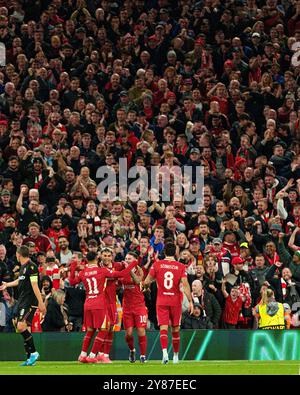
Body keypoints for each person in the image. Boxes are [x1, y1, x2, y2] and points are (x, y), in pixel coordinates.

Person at [69, 251, 138, 364]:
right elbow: (122, 274)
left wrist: (73, 267)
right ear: (97, 258)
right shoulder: (102, 271)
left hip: (87, 304)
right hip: (99, 304)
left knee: (90, 330)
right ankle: (92, 355)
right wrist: (133, 263)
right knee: (104, 329)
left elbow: (72, 282)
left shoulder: (83, 272)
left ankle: (82, 355)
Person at [143, 242, 193, 364]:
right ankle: (175, 356)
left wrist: (147, 286)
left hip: (162, 300)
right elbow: (185, 284)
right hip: (175, 301)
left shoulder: (157, 265)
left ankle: (165, 353)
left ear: (164, 252)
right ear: (175, 252)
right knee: (175, 329)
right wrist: (190, 301)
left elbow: (146, 281)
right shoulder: (180, 266)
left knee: (163, 328)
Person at [0, 245, 46, 366]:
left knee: (21, 326)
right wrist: (7, 285)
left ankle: (34, 353)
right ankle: (29, 358)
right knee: (21, 326)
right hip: (23, 300)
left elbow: (35, 285)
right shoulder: (23, 267)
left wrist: (41, 303)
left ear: (18, 254)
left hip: (30, 301)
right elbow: (20, 281)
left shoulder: (31, 266)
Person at [121, 252, 148, 363]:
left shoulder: (140, 271)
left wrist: (129, 270)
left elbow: (137, 281)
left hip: (139, 306)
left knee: (141, 331)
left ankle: (143, 356)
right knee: (129, 334)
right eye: (126, 258)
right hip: (127, 307)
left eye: (130, 259)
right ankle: (132, 350)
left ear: (135, 260)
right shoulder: (122, 271)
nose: (127, 260)